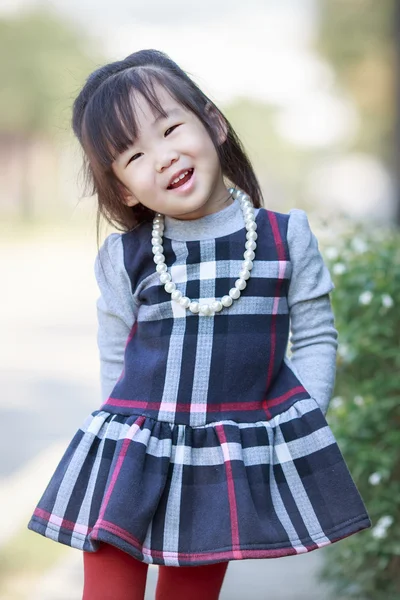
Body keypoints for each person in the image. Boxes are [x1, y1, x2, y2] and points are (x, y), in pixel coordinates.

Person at [27, 49, 371, 600]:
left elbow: (314, 336)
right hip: (133, 455)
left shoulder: (286, 239)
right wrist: (120, 441)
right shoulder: (127, 257)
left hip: (219, 464)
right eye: (135, 155)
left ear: (213, 122)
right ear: (123, 189)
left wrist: (297, 422)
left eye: (170, 129)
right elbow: (115, 351)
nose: (162, 157)